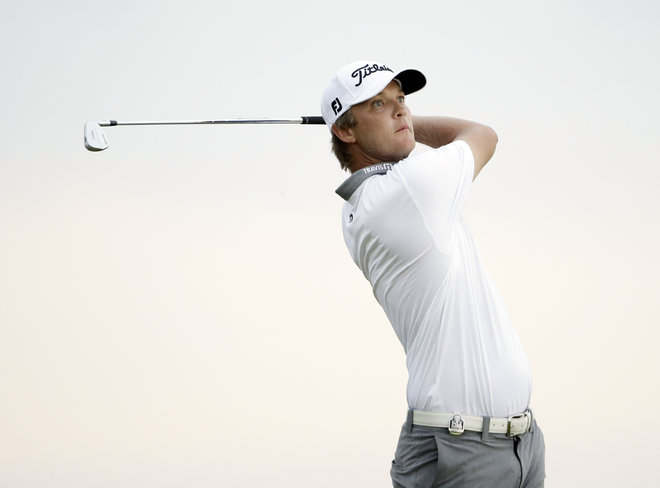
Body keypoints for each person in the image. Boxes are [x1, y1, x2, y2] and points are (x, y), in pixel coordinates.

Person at [320, 60, 546, 488]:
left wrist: (388, 123)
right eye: (379, 105)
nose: (401, 111)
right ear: (346, 131)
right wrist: (414, 126)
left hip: (514, 443)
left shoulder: (373, 198)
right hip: (462, 447)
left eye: (402, 100)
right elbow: (483, 135)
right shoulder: (407, 190)